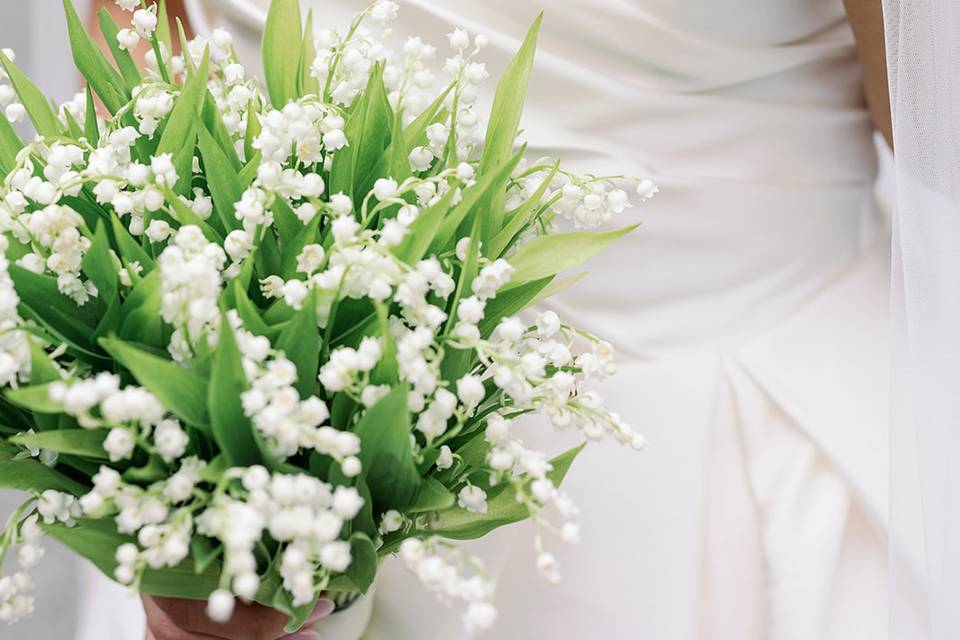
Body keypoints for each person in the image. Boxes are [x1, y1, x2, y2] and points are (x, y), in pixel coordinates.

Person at [82, 1, 894, 638]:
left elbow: (930, 122)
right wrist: (193, 419)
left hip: (731, 450)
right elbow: (141, 33)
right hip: (290, 432)